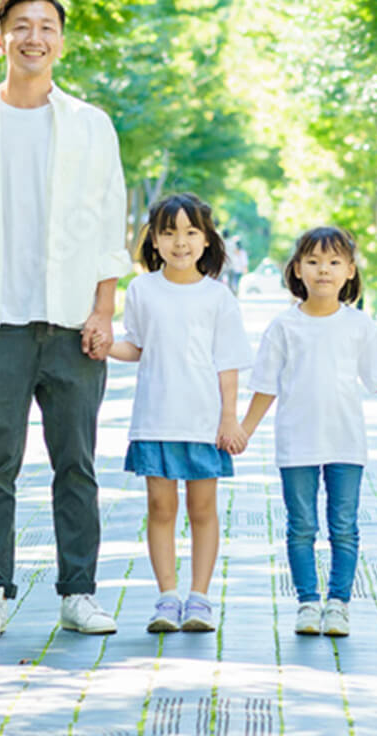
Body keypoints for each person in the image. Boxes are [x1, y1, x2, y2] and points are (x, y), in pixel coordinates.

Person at [0, 0, 128, 639]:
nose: (33, 37)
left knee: (77, 464)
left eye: (45, 26)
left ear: (60, 40)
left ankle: (79, 593)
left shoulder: (90, 125)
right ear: (0, 36)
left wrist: (104, 311)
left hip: (71, 324)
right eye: (21, 25)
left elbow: (108, 223)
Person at [240, 226, 377, 637]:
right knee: (301, 525)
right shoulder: (283, 327)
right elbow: (265, 385)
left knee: (343, 526)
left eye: (335, 262)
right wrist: (244, 430)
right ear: (297, 270)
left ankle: (338, 604)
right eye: (314, 262)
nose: (324, 270)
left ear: (350, 271)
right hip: (296, 442)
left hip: (345, 442)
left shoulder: (359, 326)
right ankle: (306, 602)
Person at [107, 194, 250, 633]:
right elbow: (136, 345)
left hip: (204, 422)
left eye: (190, 232)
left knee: (203, 508)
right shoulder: (142, 289)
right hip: (156, 418)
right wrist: (102, 344)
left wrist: (230, 419)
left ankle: (200, 598)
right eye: (168, 232)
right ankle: (167, 597)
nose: (180, 242)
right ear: (154, 240)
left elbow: (227, 363)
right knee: (160, 507)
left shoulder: (217, 297)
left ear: (207, 240)